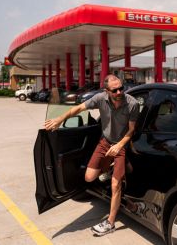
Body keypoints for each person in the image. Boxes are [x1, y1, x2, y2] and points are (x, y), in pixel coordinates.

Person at [44, 74, 140, 236]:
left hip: (122, 145)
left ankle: (110, 222)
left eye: (121, 88)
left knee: (116, 185)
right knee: (89, 177)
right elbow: (78, 108)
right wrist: (60, 119)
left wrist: (119, 146)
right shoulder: (100, 99)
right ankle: (113, 170)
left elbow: (131, 131)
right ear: (106, 91)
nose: (119, 92)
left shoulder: (132, 104)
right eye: (114, 90)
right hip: (105, 142)